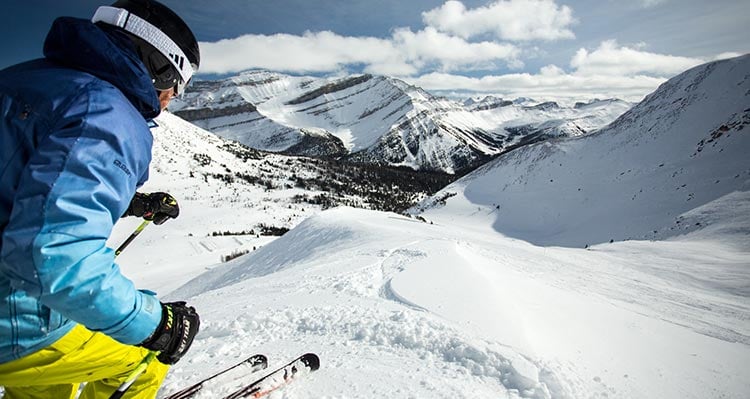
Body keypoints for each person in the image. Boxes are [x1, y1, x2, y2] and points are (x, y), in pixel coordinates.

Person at [0, 1, 201, 397]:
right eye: (177, 84)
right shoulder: (107, 112)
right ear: (157, 65)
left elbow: (25, 181)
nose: (172, 98)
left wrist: (133, 203)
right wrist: (158, 326)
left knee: (51, 384)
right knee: (146, 360)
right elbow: (55, 257)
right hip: (14, 325)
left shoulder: (21, 79)